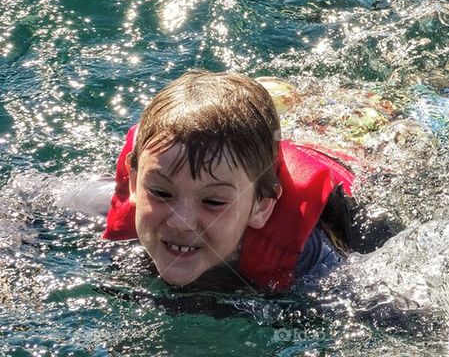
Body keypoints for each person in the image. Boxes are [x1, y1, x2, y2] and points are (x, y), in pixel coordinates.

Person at [92, 70, 390, 292]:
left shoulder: (311, 263)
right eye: (160, 192)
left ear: (262, 206)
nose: (180, 222)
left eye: (213, 201)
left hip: (359, 147)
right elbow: (45, 195)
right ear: (134, 183)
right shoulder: (99, 209)